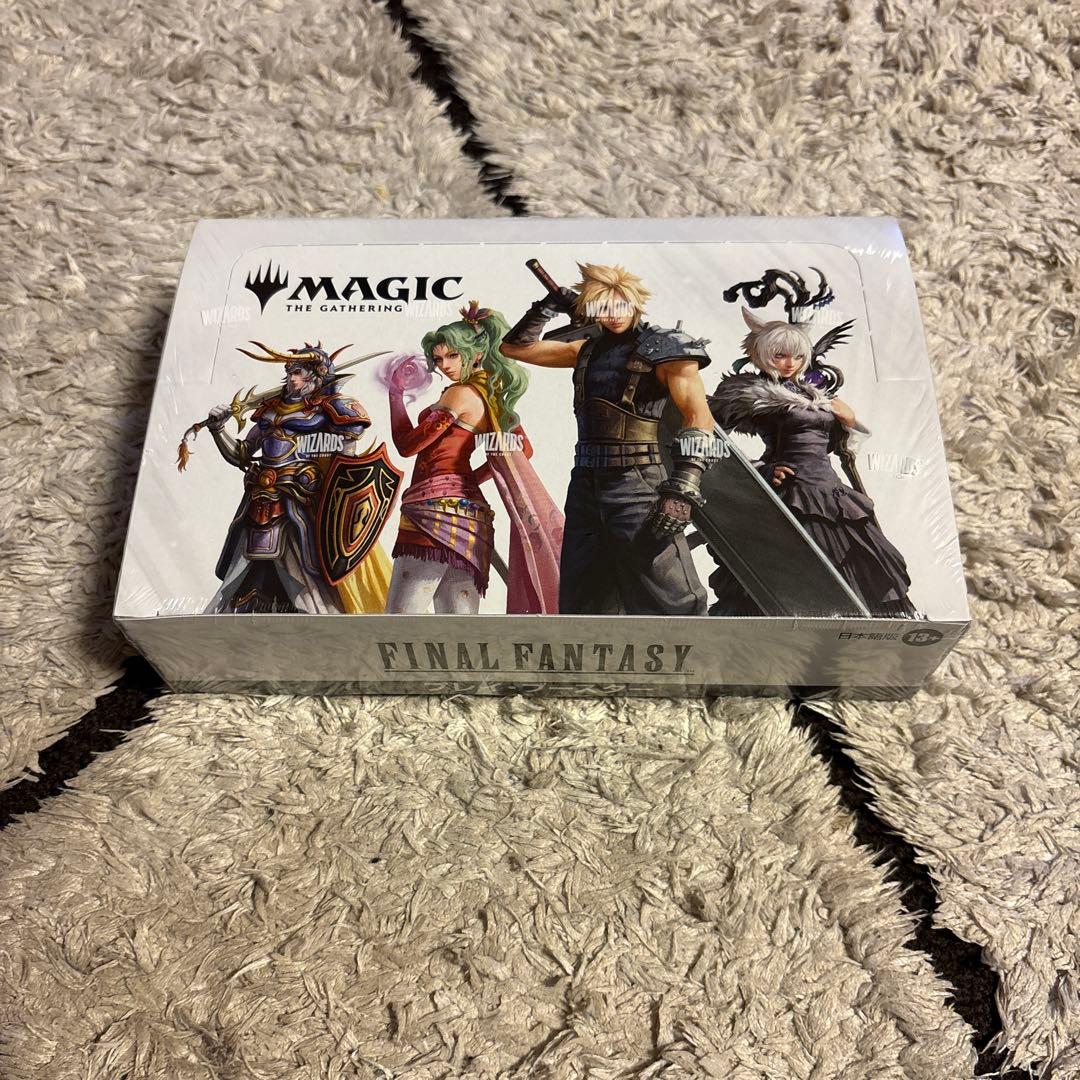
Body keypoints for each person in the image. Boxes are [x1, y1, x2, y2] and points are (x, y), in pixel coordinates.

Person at [501, 262, 718, 615]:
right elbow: (514, 348)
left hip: (639, 483)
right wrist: (547, 305)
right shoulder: (585, 350)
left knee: (670, 595)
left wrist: (683, 487)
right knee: (584, 596)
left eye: (620, 305)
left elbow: (699, 418)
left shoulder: (667, 348)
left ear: (635, 302)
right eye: (602, 307)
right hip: (586, 483)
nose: (613, 315)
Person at [707, 309, 916, 617]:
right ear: (760, 354)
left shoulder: (814, 393)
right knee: (800, 564)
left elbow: (837, 445)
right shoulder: (749, 393)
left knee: (862, 558)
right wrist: (759, 472)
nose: (789, 363)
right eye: (779, 356)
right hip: (791, 491)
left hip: (831, 491)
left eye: (797, 356)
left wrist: (848, 420)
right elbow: (706, 437)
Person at [385, 303, 562, 614]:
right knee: (459, 622)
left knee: (401, 618)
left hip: (432, 512)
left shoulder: (460, 394)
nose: (444, 365)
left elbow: (407, 445)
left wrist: (395, 394)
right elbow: (523, 448)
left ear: (477, 353)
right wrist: (467, 480)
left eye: (453, 355)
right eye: (438, 359)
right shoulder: (493, 396)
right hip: (472, 516)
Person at [203, 342, 392, 613]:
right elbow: (242, 454)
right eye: (290, 371)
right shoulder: (270, 411)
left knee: (309, 563)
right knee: (251, 556)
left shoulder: (331, 408)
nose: (292, 378)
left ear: (317, 374)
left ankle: (317, 612)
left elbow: (347, 457)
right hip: (262, 495)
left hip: (303, 499)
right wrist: (217, 429)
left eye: (299, 372)